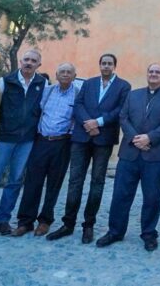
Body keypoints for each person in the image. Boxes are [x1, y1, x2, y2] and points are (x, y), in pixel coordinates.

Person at [47, 53, 131, 244]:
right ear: (99, 65)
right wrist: (87, 122)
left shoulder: (123, 86)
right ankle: (68, 224)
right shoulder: (89, 83)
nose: (106, 66)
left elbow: (120, 110)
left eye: (110, 64)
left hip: (103, 139)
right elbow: (78, 104)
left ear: (115, 66)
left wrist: (98, 122)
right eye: (103, 63)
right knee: (75, 180)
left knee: (97, 182)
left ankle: (88, 225)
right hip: (81, 137)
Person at [96, 63, 160, 251]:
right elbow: (123, 118)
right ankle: (115, 231)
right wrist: (135, 138)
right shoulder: (133, 95)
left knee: (152, 197)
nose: (154, 74)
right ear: (147, 74)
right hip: (129, 154)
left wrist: (150, 137)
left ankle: (149, 233)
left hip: (155, 154)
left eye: (158, 72)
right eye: (151, 71)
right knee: (120, 195)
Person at [0, 49, 46, 237]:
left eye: (33, 60)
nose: (29, 63)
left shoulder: (42, 83)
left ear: (39, 64)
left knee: (15, 180)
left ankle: (3, 220)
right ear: (21, 61)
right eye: (26, 59)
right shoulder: (5, 81)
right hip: (4, 137)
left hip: (27, 140)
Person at [13, 63, 80, 237]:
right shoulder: (47, 91)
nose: (65, 74)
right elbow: (37, 111)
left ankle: (45, 221)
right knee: (32, 182)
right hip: (41, 141)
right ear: (56, 75)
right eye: (62, 72)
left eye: (69, 72)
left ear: (74, 76)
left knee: (54, 184)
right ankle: (25, 222)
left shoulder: (78, 94)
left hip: (62, 143)